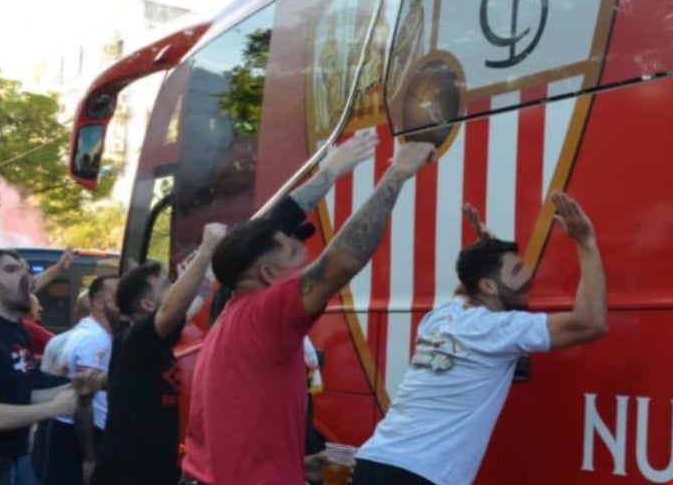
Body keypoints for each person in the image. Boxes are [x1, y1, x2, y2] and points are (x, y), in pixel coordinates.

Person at [180, 134, 434, 485]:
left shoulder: (232, 308)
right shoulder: (268, 311)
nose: (306, 258)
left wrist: (295, 464)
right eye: (293, 253)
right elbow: (341, 261)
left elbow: (272, 224)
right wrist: (398, 174)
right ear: (268, 274)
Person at [353, 193, 607, 485]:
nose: (529, 277)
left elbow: (470, 286)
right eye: (516, 272)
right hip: (419, 475)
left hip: (374, 460)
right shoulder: (498, 329)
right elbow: (591, 322)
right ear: (487, 286)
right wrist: (586, 243)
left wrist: (486, 246)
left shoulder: (443, 315)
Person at [0, 248, 94, 485]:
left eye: (25, 270)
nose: (24, 275)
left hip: (16, 457)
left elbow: (25, 390)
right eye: (11, 269)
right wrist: (55, 407)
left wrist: (75, 386)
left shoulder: (16, 331)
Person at [92, 224, 224, 485]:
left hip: (158, 470)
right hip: (128, 476)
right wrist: (206, 247)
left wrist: (209, 262)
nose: (174, 288)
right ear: (148, 305)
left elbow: (194, 298)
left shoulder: (156, 334)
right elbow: (172, 311)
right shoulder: (135, 338)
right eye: (167, 285)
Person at [42, 275, 118, 485]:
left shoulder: (91, 333)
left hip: (73, 433)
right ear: (99, 303)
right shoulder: (96, 339)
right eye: (118, 294)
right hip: (79, 436)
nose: (125, 299)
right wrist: (90, 458)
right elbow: (83, 401)